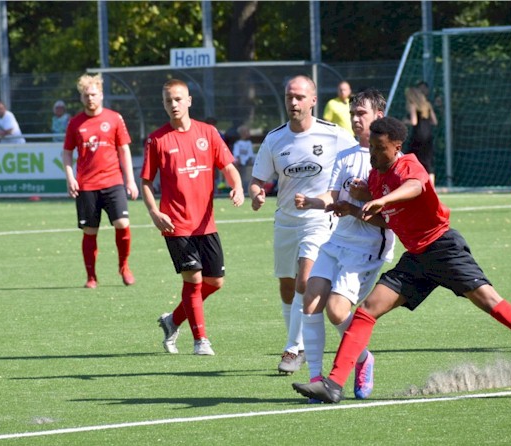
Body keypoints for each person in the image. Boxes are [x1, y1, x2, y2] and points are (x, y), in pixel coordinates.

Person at [292, 116, 511, 403]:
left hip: (444, 249)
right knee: (366, 311)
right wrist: (358, 208)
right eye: (371, 146)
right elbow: (389, 220)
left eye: (379, 148)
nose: (372, 153)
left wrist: (382, 199)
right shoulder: (375, 177)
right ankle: (333, 385)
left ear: (396, 147)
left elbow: (416, 187)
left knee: (494, 305)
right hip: (417, 259)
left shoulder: (408, 165)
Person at [250, 75, 358, 374]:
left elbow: (358, 156)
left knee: (304, 280)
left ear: (313, 100)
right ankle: (297, 343)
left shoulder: (333, 135)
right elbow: (259, 179)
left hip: (319, 219)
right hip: (285, 221)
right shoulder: (275, 138)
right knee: (286, 284)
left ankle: (293, 348)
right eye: (289, 97)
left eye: (299, 97)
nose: (294, 102)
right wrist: (257, 193)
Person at [293, 89, 395, 401]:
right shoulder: (345, 155)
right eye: (352, 114)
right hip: (337, 240)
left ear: (378, 116)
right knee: (311, 298)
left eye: (361, 113)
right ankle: (315, 378)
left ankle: (363, 359)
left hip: (365, 249)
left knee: (337, 311)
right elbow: (333, 197)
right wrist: (312, 201)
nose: (354, 119)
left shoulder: (391, 160)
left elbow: (390, 218)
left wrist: (358, 206)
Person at [143, 79, 244, 356]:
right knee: (194, 279)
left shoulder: (208, 133)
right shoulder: (157, 139)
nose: (173, 105)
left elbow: (228, 166)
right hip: (176, 223)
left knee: (215, 282)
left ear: (189, 101)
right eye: (168, 101)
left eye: (177, 99)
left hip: (205, 223)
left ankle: (173, 320)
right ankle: (201, 341)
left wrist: (237, 186)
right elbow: (146, 182)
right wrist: (154, 212)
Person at [62, 74, 139, 289]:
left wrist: (130, 181)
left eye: (94, 94)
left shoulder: (114, 118)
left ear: (101, 95)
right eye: (86, 95)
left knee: (122, 224)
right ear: (81, 98)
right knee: (90, 232)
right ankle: (91, 277)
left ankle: (124, 267)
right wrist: (70, 178)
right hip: (86, 185)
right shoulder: (75, 123)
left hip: (113, 181)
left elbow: (124, 149)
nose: (90, 99)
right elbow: (67, 153)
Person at [403, 86, 438, 186]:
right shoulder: (427, 105)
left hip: (418, 135)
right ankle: (432, 187)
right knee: (428, 160)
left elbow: (414, 122)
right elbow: (434, 121)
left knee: (409, 157)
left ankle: (409, 182)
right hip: (428, 135)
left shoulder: (413, 105)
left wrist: (405, 121)